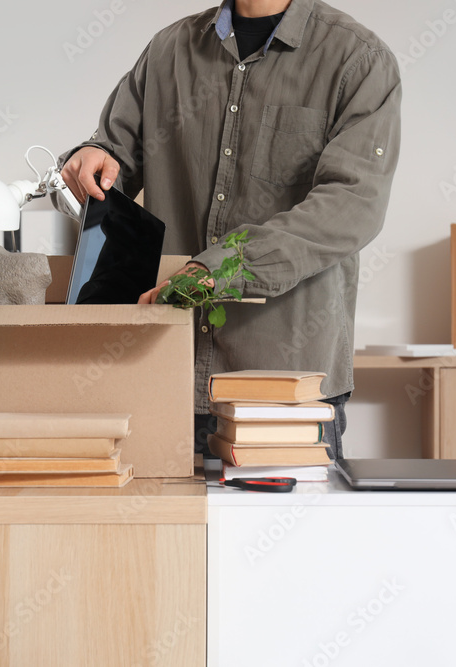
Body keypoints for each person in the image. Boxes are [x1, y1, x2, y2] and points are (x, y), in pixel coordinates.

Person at [59, 0, 401, 460]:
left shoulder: (357, 60)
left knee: (284, 532)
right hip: (161, 376)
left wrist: (219, 269)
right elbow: (113, 156)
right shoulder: (168, 51)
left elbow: (350, 205)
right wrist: (91, 159)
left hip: (281, 391)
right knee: (156, 533)